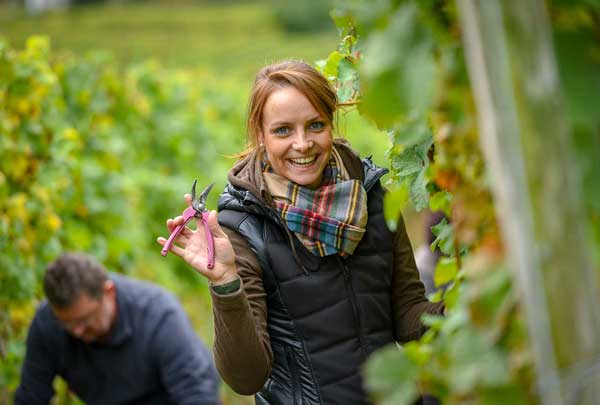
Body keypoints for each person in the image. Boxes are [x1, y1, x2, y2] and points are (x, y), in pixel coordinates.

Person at [157, 60, 444, 405]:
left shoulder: (371, 196)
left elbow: (408, 316)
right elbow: (246, 378)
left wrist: (467, 307)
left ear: (331, 123)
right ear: (259, 135)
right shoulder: (242, 228)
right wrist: (225, 282)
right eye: (283, 131)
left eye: (315, 125)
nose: (303, 143)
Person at [15, 252, 220, 405]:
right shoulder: (47, 324)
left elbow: (197, 394)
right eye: (67, 324)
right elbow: (31, 397)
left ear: (108, 292)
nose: (77, 331)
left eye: (85, 320)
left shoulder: (158, 316)